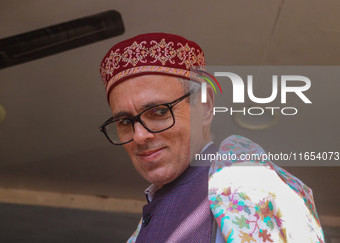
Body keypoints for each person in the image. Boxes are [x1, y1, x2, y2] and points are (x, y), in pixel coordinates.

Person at [98, 33, 325, 242]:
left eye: (159, 111)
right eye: (125, 122)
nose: (139, 136)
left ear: (205, 108)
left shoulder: (244, 180)